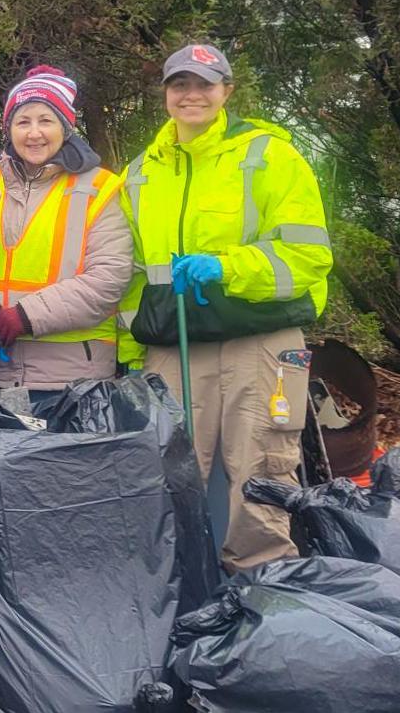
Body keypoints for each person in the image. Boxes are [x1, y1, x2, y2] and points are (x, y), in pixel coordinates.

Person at [117, 42, 333, 571]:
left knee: (262, 468)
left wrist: (228, 268)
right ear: (165, 94)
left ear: (227, 92)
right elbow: (130, 276)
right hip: (175, 345)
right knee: (165, 469)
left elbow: (308, 256)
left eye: (204, 84)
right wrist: (130, 352)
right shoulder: (141, 173)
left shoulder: (270, 156)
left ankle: (262, 584)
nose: (191, 94)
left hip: (259, 339)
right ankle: (177, 587)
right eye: (180, 84)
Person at [0, 66, 133, 396]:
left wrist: (26, 316)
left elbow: (109, 278)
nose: (34, 133)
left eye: (46, 120)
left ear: (66, 127)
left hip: (72, 378)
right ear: (8, 128)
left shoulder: (100, 188)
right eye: (23, 122)